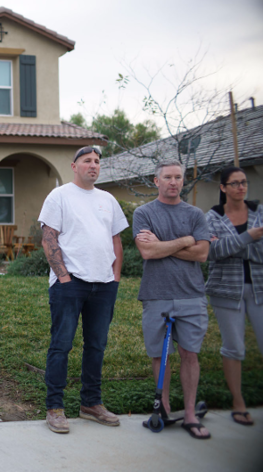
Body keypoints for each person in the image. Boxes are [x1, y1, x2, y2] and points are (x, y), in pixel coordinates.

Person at [38, 146, 128, 434]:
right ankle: (55, 407)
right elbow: (48, 238)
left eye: (97, 161)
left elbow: (116, 240)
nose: (93, 165)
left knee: (97, 345)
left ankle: (91, 403)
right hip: (71, 283)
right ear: (74, 166)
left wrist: (114, 278)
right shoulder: (60, 196)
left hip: (103, 286)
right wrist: (63, 277)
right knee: (61, 345)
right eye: (87, 161)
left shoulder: (108, 199)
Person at [133, 160, 211, 440]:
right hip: (156, 295)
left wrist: (163, 243)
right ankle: (163, 408)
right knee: (160, 356)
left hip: (191, 294)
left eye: (178, 177)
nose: (173, 182)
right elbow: (147, 252)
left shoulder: (195, 214)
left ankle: (190, 414)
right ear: (156, 181)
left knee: (190, 355)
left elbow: (202, 254)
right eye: (167, 177)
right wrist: (186, 240)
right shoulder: (144, 213)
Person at [205, 166, 263, 426]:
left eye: (244, 182)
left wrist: (234, 245)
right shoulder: (213, 217)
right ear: (223, 188)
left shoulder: (259, 212)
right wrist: (249, 237)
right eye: (235, 183)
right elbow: (212, 252)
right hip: (226, 290)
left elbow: (226, 248)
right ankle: (238, 403)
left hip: (260, 289)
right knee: (234, 347)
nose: (241, 187)